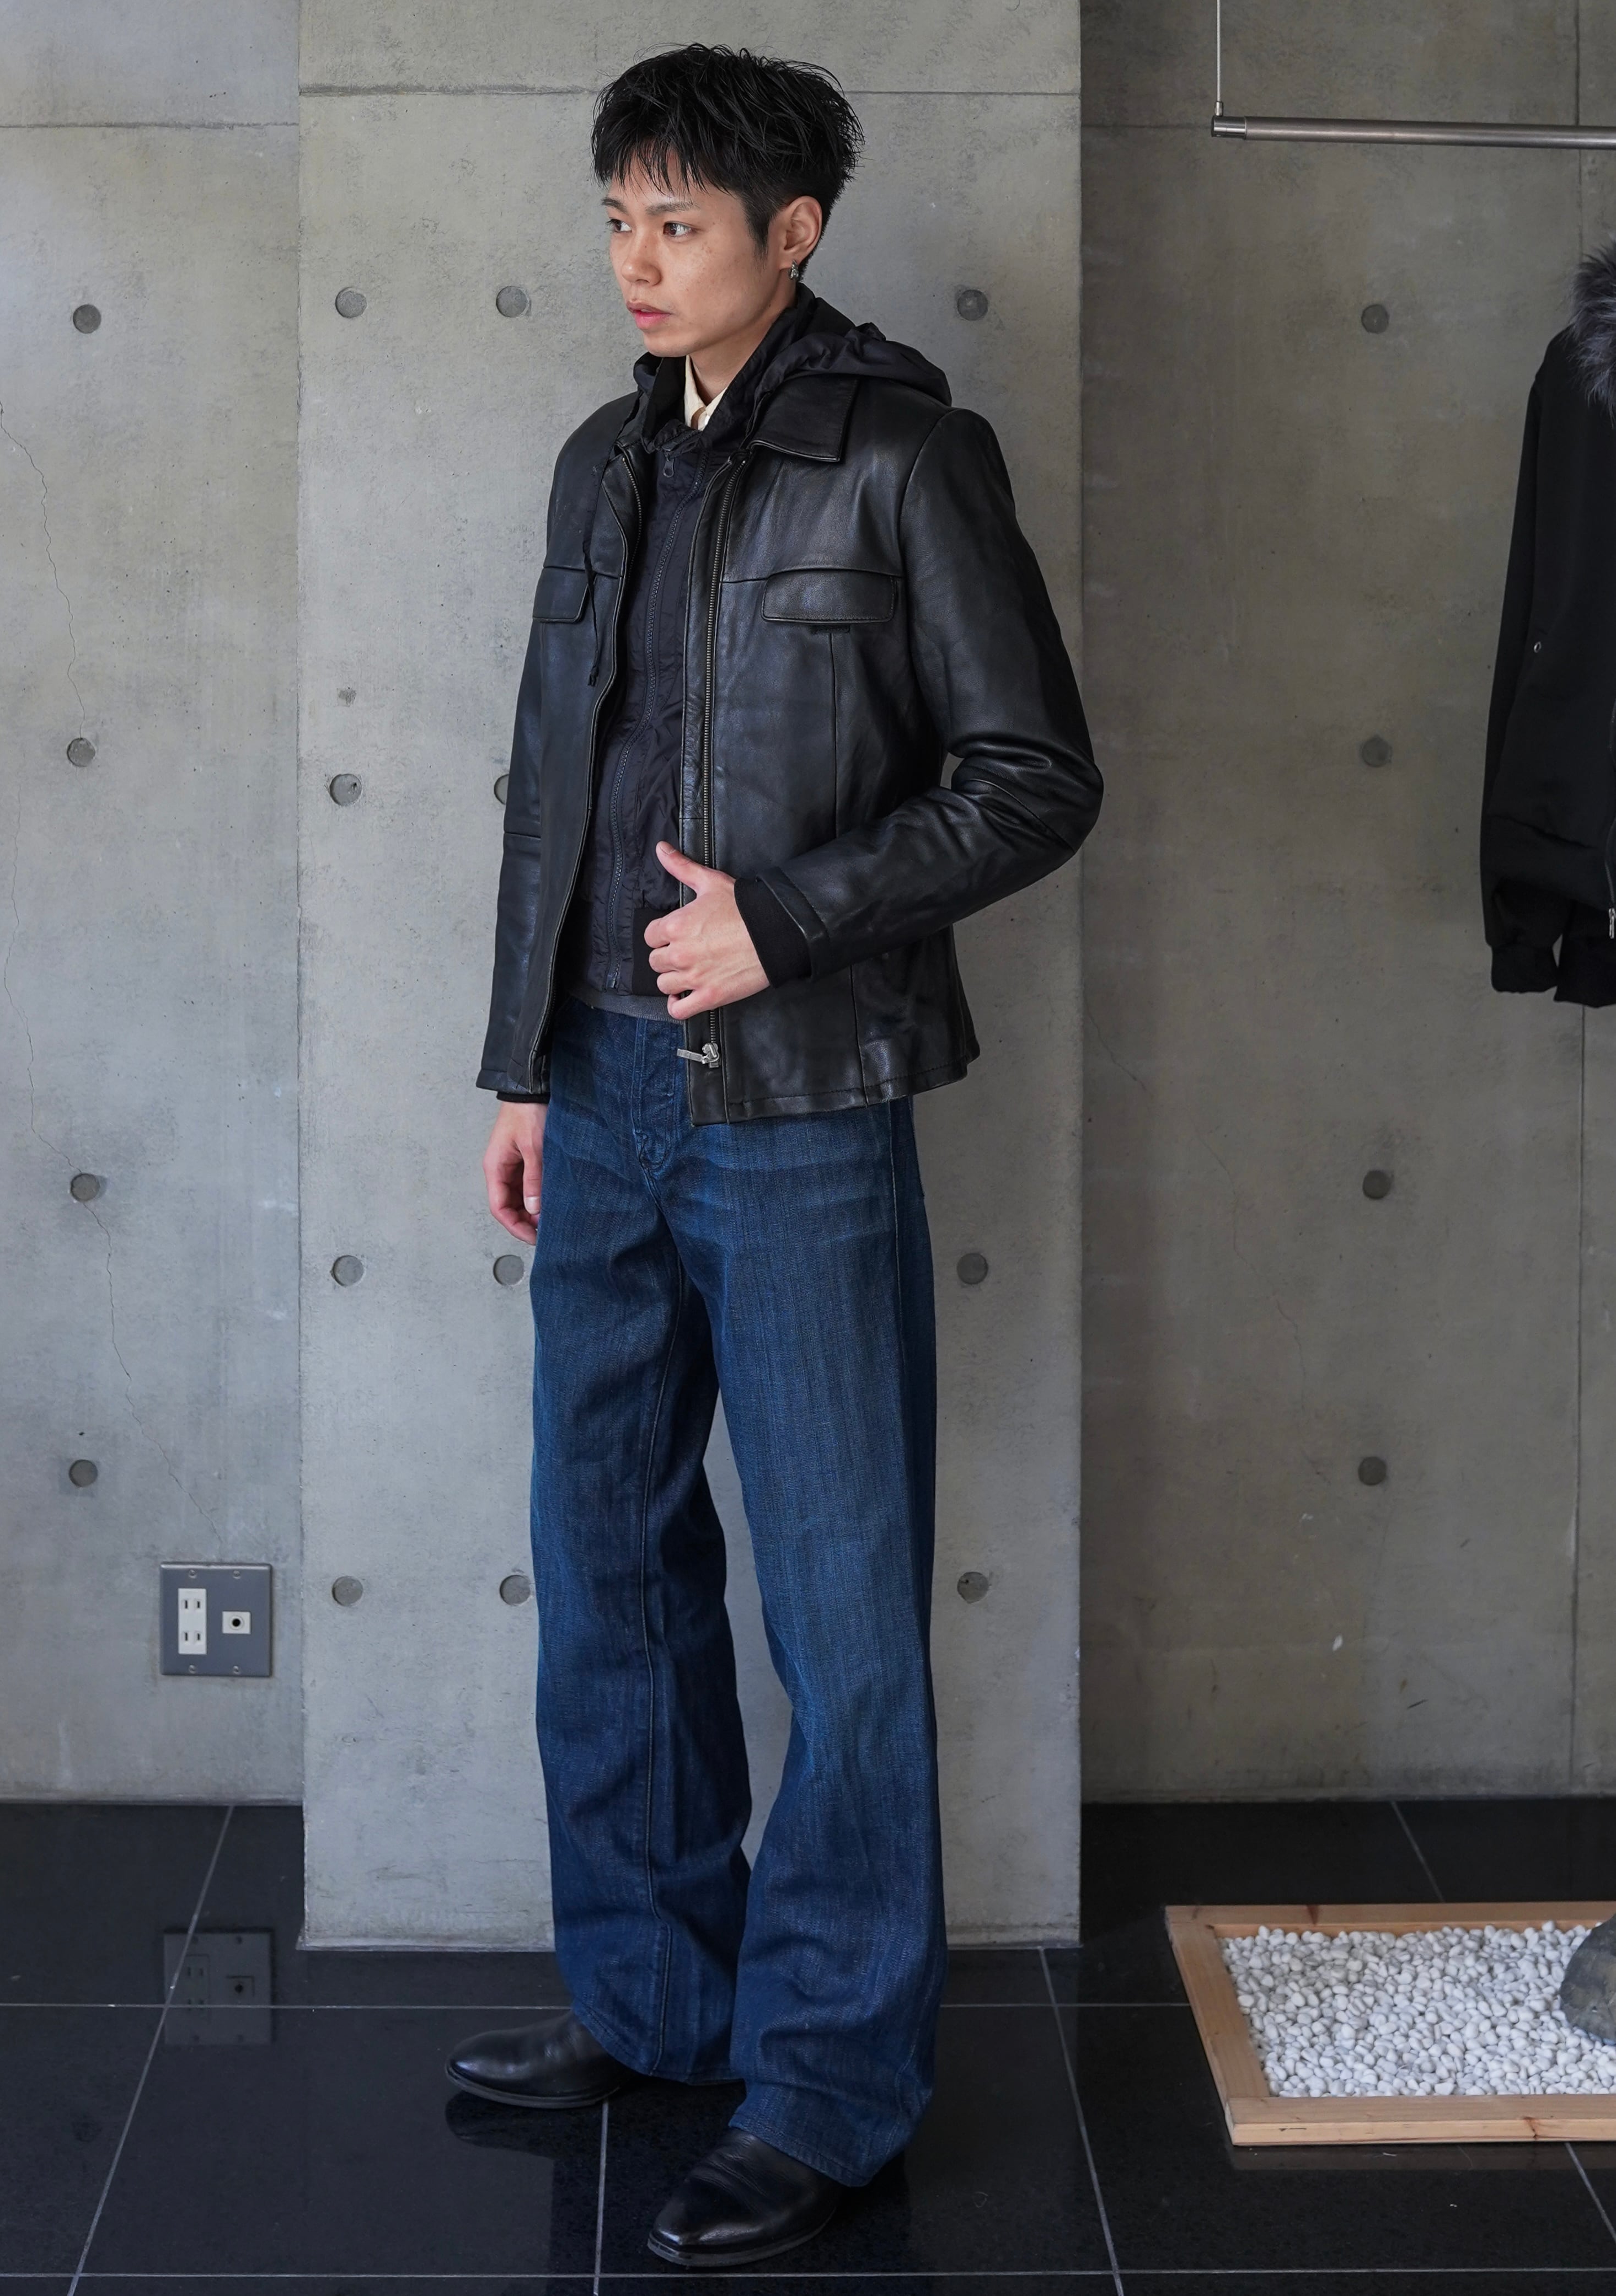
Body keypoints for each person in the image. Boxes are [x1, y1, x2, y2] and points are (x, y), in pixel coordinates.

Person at [452, 43, 1100, 2268]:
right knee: (608, 1569)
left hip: (800, 1105)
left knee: (838, 1610)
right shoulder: (599, 462)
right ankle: (652, 2003)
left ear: (791, 235)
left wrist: (788, 918)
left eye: (679, 224)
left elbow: (1032, 775)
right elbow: (550, 785)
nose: (635, 263)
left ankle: (825, 2084)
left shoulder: (904, 454)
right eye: (615, 220)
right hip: (600, 1095)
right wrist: (521, 1071)